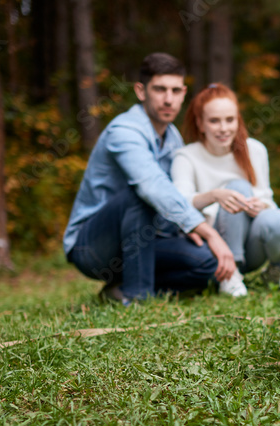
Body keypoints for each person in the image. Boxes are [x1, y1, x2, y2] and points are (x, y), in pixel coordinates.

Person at [62, 53, 236, 305]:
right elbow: (152, 187)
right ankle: (137, 297)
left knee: (207, 263)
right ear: (141, 91)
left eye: (176, 91)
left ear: (184, 93)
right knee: (139, 196)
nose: (168, 99)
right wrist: (210, 233)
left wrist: (192, 232)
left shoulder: (173, 137)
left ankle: (118, 291)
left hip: (142, 243)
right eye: (160, 89)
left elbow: (177, 194)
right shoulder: (123, 131)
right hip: (93, 248)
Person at [171, 83, 280, 297]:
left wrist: (261, 205)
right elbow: (179, 203)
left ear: (238, 120)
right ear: (200, 123)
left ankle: (279, 270)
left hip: (252, 243)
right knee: (238, 186)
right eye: (214, 121)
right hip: (212, 246)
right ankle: (231, 274)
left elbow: (267, 197)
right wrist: (214, 196)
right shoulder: (185, 157)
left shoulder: (255, 150)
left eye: (230, 120)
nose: (223, 128)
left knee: (276, 219)